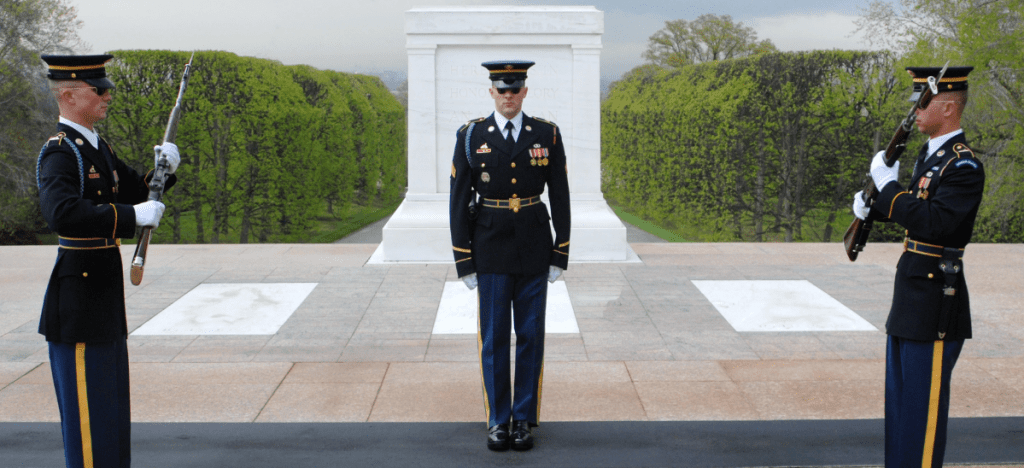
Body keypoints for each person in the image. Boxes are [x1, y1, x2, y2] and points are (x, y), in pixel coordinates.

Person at [36, 54, 180, 468]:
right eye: (98, 89)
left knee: (111, 419)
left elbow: (139, 190)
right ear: (68, 94)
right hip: (78, 305)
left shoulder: (97, 147)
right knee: (90, 426)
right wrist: (131, 217)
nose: (108, 94)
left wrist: (163, 171)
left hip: (101, 302)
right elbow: (61, 213)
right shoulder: (61, 153)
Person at [852, 66, 983, 467]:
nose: (915, 111)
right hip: (910, 295)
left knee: (921, 421)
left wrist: (889, 189)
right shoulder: (930, 156)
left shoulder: (963, 166)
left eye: (922, 102)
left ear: (946, 107)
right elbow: (916, 211)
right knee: (902, 411)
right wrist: (872, 203)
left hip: (935, 301)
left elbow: (937, 223)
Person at [449, 60, 571, 451]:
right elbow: (457, 201)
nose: (508, 96)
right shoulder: (471, 136)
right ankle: (498, 420)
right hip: (491, 249)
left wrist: (560, 250)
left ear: (524, 91)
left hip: (535, 246)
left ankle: (523, 419)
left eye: (514, 89)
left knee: (531, 335)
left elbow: (561, 196)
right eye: (502, 90)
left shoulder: (546, 135)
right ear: (491, 92)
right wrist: (464, 259)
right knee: (495, 338)